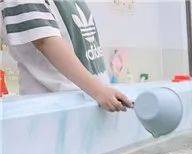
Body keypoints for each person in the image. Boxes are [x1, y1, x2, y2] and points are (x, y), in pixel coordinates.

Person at [0, 0, 132, 112]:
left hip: (89, 104)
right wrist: (99, 91)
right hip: (55, 109)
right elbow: (45, 40)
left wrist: (103, 90)